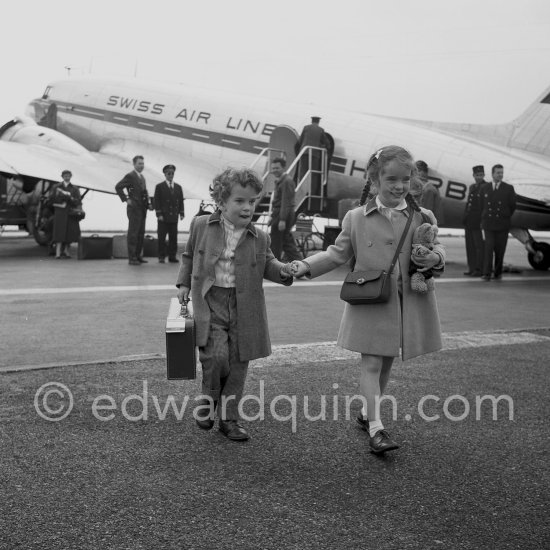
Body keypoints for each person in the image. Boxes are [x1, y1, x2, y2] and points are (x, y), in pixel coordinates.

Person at [291, 145, 445, 454]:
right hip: (371, 301)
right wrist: (305, 266)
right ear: (374, 180)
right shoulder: (356, 217)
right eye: (390, 179)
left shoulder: (423, 216)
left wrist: (434, 257)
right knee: (373, 362)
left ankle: (366, 413)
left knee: (385, 361)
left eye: (404, 179)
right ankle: (376, 428)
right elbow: (337, 253)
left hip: (405, 304)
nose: (398, 186)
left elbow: (437, 249)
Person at [176, 168, 293, 442]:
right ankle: (208, 400)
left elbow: (270, 264)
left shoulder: (260, 237)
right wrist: (183, 283)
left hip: (246, 307)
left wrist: (284, 270)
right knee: (215, 357)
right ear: (221, 202)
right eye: (240, 201)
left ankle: (230, 419)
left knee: (238, 365)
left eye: (252, 201)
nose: (247, 207)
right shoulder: (201, 225)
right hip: (211, 301)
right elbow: (188, 255)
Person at [480, 164, 516, 281]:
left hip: (502, 224)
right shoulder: (485, 188)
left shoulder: (508, 188)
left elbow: (512, 206)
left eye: (502, 172)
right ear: (492, 174)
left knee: (500, 250)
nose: (500, 175)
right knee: (488, 249)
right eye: (498, 173)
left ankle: (498, 272)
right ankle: (486, 274)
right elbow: (481, 205)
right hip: (488, 224)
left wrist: (504, 216)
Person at [115, 155, 153, 265]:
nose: (142, 166)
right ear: (134, 164)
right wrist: (126, 199)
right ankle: (132, 258)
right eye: (139, 163)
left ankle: (138, 256)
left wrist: (149, 204)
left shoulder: (142, 177)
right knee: (133, 233)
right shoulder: (130, 176)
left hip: (142, 209)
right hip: (134, 209)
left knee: (141, 233)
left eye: (142, 163)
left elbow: (144, 193)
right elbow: (118, 187)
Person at [268, 157, 303, 262]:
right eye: (273, 168)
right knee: (285, 242)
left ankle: (274, 266)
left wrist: (282, 219)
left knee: (277, 242)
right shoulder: (282, 181)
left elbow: (285, 202)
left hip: (283, 214)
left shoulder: (286, 181)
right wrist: (272, 217)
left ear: (283, 168)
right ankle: (301, 267)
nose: (274, 170)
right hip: (279, 213)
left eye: (277, 168)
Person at [154, 164, 185, 263]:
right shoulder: (159, 187)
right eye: (169, 173)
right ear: (165, 174)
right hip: (163, 217)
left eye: (172, 173)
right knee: (162, 238)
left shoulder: (178, 187)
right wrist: (159, 214)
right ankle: (161, 256)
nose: (171, 175)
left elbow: (180, 201)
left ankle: (172, 256)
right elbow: (156, 201)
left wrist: (181, 213)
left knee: (173, 238)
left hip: (173, 216)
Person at [49, 170, 83, 259]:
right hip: (59, 212)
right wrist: (61, 198)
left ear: (71, 176)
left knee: (69, 233)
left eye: (68, 176)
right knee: (59, 233)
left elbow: (78, 201)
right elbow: (51, 199)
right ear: (62, 177)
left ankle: (67, 252)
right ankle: (58, 253)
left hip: (70, 212)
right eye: (65, 176)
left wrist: (70, 198)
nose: (67, 177)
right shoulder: (56, 187)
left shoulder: (75, 189)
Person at [462, 165, 487, 276]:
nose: (479, 177)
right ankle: (471, 268)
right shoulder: (472, 187)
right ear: (473, 175)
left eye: (481, 175)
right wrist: (465, 217)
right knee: (470, 246)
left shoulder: (486, 187)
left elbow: (485, 206)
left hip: (478, 222)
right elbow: (469, 204)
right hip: (470, 221)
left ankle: (479, 269)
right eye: (477, 175)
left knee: (479, 247)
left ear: (484, 175)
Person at [297, 116, 330, 192]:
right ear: (318, 122)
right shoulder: (321, 130)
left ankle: (301, 189)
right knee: (313, 173)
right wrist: (321, 146)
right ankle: (311, 191)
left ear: (311, 121)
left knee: (303, 172)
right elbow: (327, 144)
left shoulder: (306, 128)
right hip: (315, 154)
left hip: (304, 153)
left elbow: (300, 141)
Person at [416, 160, 444, 225]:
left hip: (425, 225)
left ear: (420, 172)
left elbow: (425, 214)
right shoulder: (431, 188)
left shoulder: (428, 189)